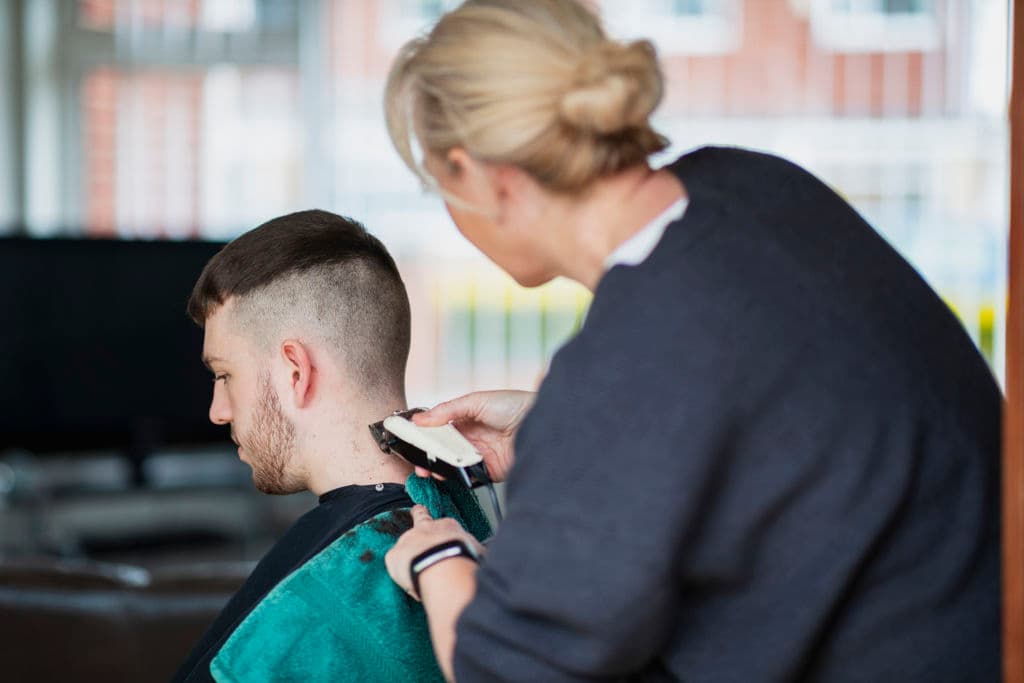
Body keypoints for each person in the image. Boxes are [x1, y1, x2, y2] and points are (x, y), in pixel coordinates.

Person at [379, 1, 1002, 681]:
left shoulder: (624, 366)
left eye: (437, 183)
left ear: (481, 176)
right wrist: (547, 433)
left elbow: (512, 666)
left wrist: (439, 560)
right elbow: (770, 414)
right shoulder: (757, 186)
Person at [172, 209, 490, 682]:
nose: (218, 410)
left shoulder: (321, 604)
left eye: (224, 375)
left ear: (295, 372)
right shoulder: (458, 521)